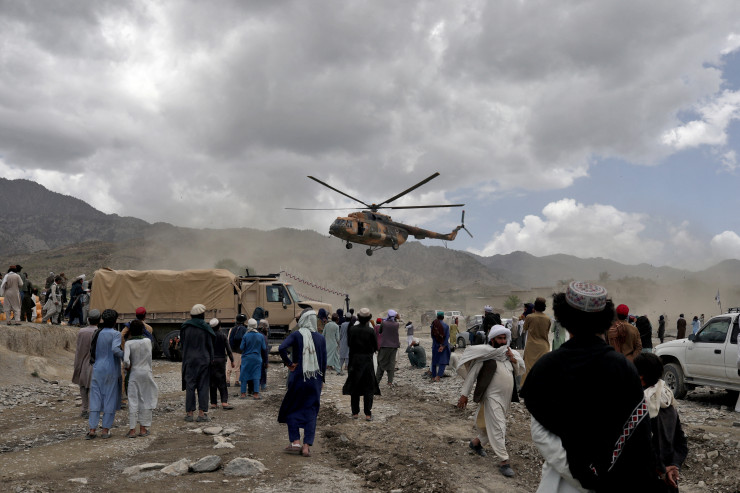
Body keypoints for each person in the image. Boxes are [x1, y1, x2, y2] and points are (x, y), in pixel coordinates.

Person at [521, 281, 661, 492]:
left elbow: (540, 433)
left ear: (564, 319)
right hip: (615, 482)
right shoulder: (624, 368)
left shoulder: (547, 367)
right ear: (605, 320)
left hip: (560, 482)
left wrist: (580, 475)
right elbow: (638, 439)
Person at [456, 325, 524, 478]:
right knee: (499, 426)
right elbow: (471, 376)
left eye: (504, 338)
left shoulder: (508, 355)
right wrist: (464, 395)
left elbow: (518, 371)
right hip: (491, 397)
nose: (502, 341)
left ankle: (476, 443)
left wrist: (513, 360)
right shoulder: (485, 355)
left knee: (491, 425)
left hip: (505, 398)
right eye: (499, 338)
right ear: (492, 339)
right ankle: (504, 461)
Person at [633, 353, 688, 492]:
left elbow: (643, 447)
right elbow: (681, 442)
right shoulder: (667, 398)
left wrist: (662, 469)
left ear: (640, 377)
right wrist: (674, 466)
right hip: (669, 478)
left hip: (649, 477)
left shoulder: (640, 405)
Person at [278, 309, 327, 457]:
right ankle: (306, 446)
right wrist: (322, 379)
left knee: (293, 406)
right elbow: (323, 361)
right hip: (315, 379)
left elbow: (281, 348)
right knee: (311, 410)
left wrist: (289, 364)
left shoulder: (297, 335)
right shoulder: (320, 338)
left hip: (298, 377)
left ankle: (295, 442)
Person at [86, 309, 124, 439]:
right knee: (110, 398)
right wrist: (126, 356)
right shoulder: (116, 334)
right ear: (114, 321)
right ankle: (105, 430)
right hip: (111, 369)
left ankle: (92, 429)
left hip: (97, 368)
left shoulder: (97, 332)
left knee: (95, 397)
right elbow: (115, 349)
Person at [342, 307, 380, 420]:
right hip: (367, 361)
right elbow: (375, 347)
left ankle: (355, 413)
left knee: (355, 386)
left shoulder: (352, 329)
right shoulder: (370, 331)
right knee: (368, 387)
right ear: (369, 318)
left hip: (354, 361)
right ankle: (368, 414)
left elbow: (349, 344)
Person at [123, 319, 158, 438]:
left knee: (133, 400)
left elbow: (126, 360)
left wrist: (128, 367)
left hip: (134, 372)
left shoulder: (128, 343)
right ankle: (143, 429)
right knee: (146, 398)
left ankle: (132, 430)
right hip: (146, 372)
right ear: (143, 330)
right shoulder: (148, 341)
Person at [180, 303, 215, 423]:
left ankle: (189, 414)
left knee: (190, 386)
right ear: (202, 315)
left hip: (189, 360)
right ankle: (201, 414)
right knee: (203, 386)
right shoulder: (205, 327)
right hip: (203, 360)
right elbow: (210, 345)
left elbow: (182, 345)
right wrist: (211, 359)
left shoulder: (185, 327)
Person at [72, 309, 100, 419]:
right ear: (99, 320)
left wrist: (77, 365)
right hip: (96, 363)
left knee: (83, 386)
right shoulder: (99, 332)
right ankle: (92, 409)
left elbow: (79, 350)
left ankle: (84, 409)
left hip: (83, 362)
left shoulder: (82, 332)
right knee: (93, 388)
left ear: (88, 319)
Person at [521, 297, 551, 386]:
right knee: (542, 368)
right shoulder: (548, 318)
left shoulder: (530, 317)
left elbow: (525, 328)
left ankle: (527, 387)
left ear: (535, 306)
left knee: (528, 367)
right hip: (544, 346)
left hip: (531, 346)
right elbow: (547, 331)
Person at [209, 318, 234, 410]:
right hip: (220, 360)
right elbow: (228, 349)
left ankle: (213, 403)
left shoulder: (208, 335)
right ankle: (224, 402)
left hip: (211, 360)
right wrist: (232, 360)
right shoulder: (223, 335)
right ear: (219, 326)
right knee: (222, 381)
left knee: (212, 382)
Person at [240, 318, 266, 400]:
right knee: (256, 375)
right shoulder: (260, 336)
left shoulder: (245, 335)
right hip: (257, 357)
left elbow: (241, 347)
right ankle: (256, 394)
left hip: (246, 358)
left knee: (244, 374)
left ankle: (243, 394)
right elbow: (264, 348)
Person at [376, 309, 400, 387]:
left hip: (384, 345)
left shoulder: (384, 323)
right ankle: (390, 381)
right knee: (391, 363)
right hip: (394, 346)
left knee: (381, 362)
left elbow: (380, 331)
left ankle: (377, 381)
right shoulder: (396, 324)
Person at [227, 314, 247, 387]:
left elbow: (228, 340)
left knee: (228, 366)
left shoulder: (232, 329)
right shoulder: (245, 329)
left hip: (231, 350)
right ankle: (237, 382)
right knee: (237, 367)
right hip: (239, 351)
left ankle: (227, 381)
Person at [430, 311, 451, 382]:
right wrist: (443, 346)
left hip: (435, 345)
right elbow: (447, 337)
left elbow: (432, 336)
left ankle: (433, 377)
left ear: (437, 317)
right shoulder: (446, 326)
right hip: (443, 347)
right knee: (443, 361)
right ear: (443, 317)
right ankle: (438, 377)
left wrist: (437, 344)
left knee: (434, 361)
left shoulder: (433, 325)